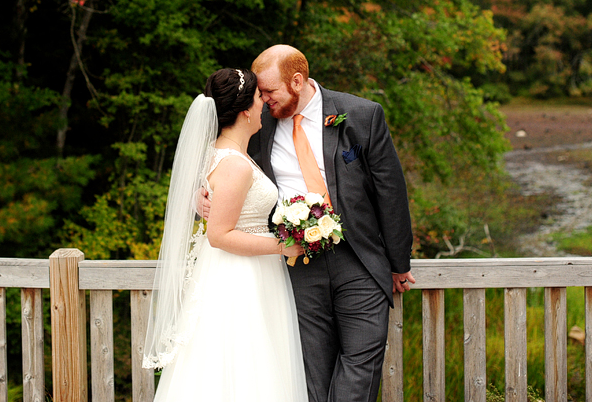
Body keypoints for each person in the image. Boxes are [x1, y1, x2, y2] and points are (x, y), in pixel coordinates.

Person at [202, 44, 415, 402]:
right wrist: (200, 196)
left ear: (297, 81)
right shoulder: (257, 123)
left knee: (362, 361)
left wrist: (398, 264)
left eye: (269, 91)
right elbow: (222, 168)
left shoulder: (360, 115)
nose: (264, 99)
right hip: (294, 265)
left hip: (359, 261)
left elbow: (390, 192)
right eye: (260, 94)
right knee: (312, 370)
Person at [143, 68, 308, 402]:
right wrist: (284, 245)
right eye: (260, 98)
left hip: (239, 272)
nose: (265, 103)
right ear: (246, 110)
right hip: (239, 278)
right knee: (243, 367)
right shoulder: (235, 164)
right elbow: (219, 234)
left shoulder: (222, 155)